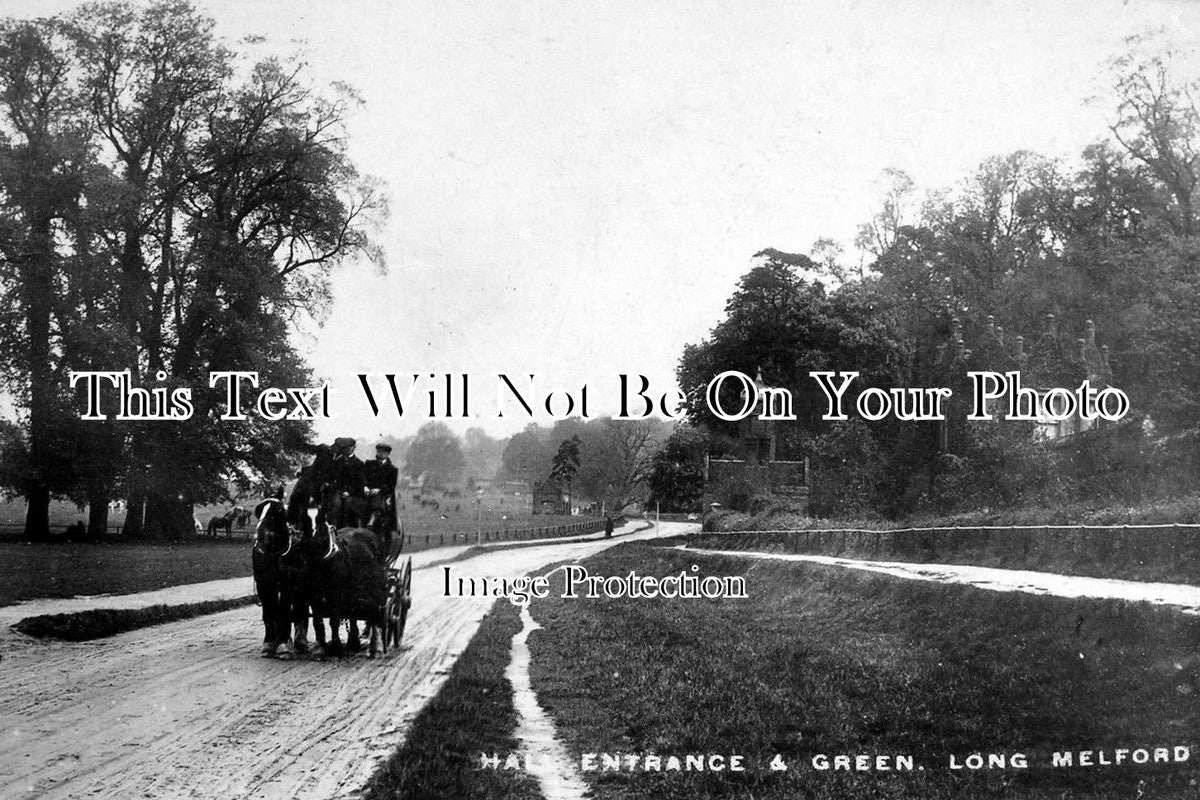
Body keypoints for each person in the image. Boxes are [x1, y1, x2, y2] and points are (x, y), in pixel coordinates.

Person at [363, 442, 400, 556]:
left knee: (379, 502)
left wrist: (379, 490)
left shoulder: (392, 469)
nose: (379, 454)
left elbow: (391, 486)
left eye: (382, 452)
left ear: (388, 454)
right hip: (368, 494)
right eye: (378, 451)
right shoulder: (369, 464)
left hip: (383, 496)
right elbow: (363, 478)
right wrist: (365, 487)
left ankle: (373, 518)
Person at [329, 437, 365, 528]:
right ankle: (333, 530)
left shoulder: (359, 463)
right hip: (339, 490)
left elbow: (359, 482)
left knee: (349, 507)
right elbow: (334, 478)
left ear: (354, 448)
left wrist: (349, 492)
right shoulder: (338, 461)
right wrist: (339, 490)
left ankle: (348, 529)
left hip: (353, 493)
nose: (347, 449)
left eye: (349, 447)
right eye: (345, 447)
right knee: (335, 505)